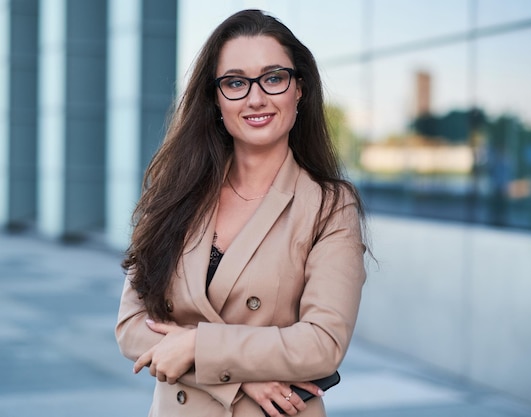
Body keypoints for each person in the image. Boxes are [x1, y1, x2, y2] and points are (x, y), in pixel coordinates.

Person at [116, 9, 368, 417]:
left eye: (273, 78)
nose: (255, 98)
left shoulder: (329, 205)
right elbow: (131, 328)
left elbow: (322, 344)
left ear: (299, 88)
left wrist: (197, 346)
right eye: (235, 82)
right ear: (215, 97)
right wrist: (240, 375)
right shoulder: (176, 193)